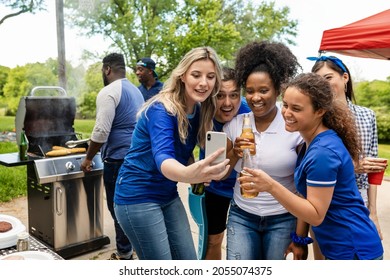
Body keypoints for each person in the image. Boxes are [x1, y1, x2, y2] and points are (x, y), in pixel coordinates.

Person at [241, 72, 384, 260]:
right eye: (285, 105)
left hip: (354, 250)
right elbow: (305, 194)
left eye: (296, 108)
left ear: (320, 111)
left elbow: (316, 214)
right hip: (341, 248)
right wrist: (299, 239)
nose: (287, 113)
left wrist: (270, 186)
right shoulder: (310, 142)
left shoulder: (323, 153)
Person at [114, 47, 230, 260]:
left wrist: (199, 170)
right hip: (137, 197)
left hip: (167, 195)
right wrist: (192, 174)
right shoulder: (162, 109)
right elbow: (164, 159)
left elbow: (182, 149)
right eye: (196, 75)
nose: (204, 82)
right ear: (183, 76)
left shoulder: (199, 108)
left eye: (211, 77)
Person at [223, 41, 306, 260]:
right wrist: (235, 153)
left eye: (263, 90)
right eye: (249, 91)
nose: (255, 97)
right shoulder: (234, 125)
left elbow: (305, 186)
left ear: (278, 89)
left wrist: (300, 237)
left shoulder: (293, 126)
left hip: (282, 218)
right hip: (242, 216)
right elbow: (221, 173)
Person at [308, 55, 388, 259]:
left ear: (345, 78)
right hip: (321, 197)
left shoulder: (366, 115)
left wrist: (374, 213)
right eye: (318, 81)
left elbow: (375, 169)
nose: (323, 85)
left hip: (356, 200)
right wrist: (352, 166)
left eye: (328, 78)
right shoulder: (316, 117)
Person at [80, 53, 145, 260]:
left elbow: (101, 131)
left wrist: (89, 157)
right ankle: (133, 247)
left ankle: (124, 254)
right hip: (138, 157)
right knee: (132, 205)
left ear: (107, 69)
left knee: (117, 207)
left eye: (102, 70)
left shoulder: (109, 91)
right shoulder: (135, 91)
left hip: (118, 161)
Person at [200, 67, 251, 260]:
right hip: (214, 188)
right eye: (220, 95)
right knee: (213, 240)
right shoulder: (201, 112)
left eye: (234, 95)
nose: (228, 103)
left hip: (244, 188)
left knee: (242, 243)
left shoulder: (249, 113)